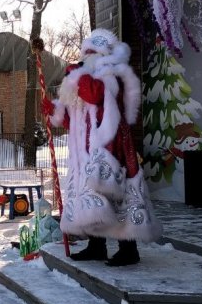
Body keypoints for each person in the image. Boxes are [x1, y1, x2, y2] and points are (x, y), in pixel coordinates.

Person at [42, 29, 162, 266]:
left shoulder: (110, 75)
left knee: (118, 198)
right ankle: (96, 246)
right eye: (84, 52)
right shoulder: (86, 79)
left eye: (90, 52)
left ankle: (129, 249)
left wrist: (76, 75)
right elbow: (74, 121)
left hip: (111, 149)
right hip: (87, 153)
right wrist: (53, 111)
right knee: (94, 200)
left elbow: (96, 96)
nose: (84, 57)